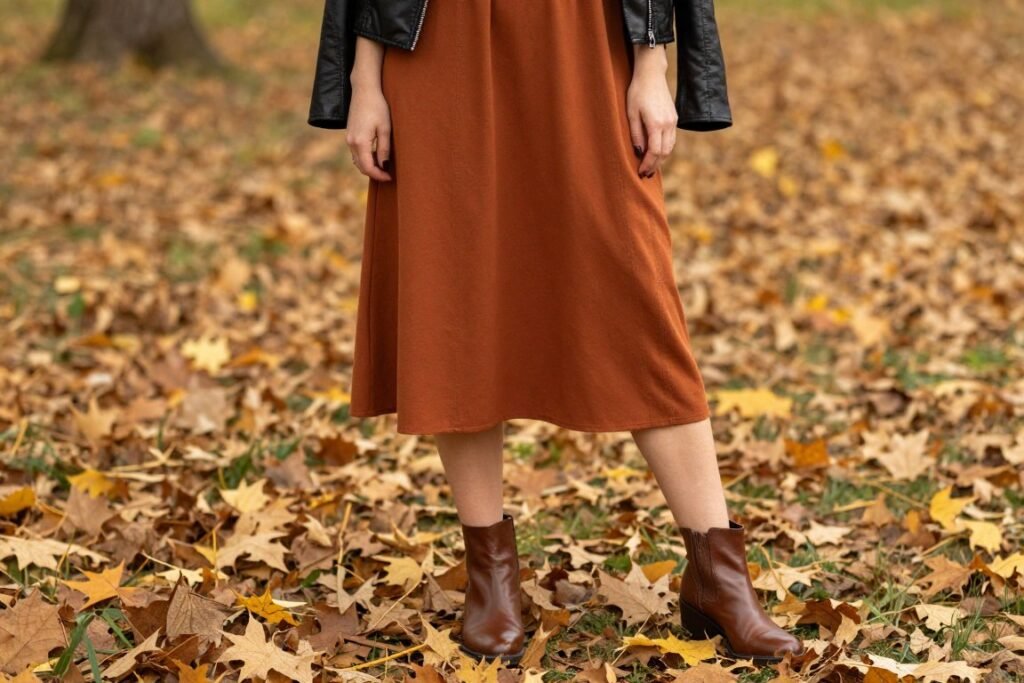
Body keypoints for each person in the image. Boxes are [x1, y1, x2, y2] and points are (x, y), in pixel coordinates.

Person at [307, 0, 805, 666]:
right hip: (436, 43)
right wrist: (365, 80)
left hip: (584, 31)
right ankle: (490, 576)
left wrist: (651, 60)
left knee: (636, 296)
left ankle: (717, 573)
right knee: (455, 292)